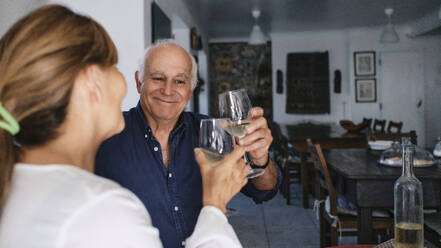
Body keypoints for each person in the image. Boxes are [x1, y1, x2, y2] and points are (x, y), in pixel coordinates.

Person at [0, 5, 251, 248]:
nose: (167, 90)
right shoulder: (103, 208)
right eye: (113, 66)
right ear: (92, 83)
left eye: (179, 81)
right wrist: (214, 205)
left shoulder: (15, 182)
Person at [95, 40, 282, 248]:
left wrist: (260, 159)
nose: (167, 90)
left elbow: (264, 190)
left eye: (179, 81)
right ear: (139, 82)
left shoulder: (212, 130)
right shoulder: (105, 133)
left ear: (191, 89)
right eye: (158, 78)